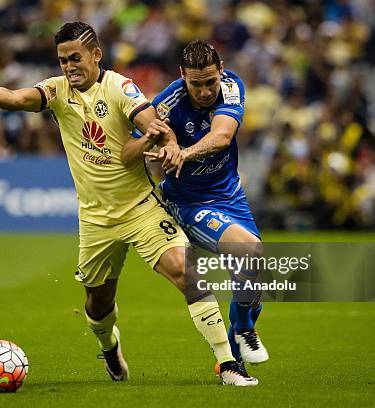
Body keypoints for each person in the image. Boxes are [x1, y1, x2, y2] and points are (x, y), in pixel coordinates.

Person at [0, 22, 257, 386]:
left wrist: (168, 141)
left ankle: (228, 364)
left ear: (96, 55)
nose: (68, 66)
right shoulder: (56, 90)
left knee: (187, 272)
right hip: (95, 220)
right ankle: (110, 348)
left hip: (141, 208)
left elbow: (152, 121)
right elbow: (16, 99)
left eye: (75, 57)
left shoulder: (120, 87)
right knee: (97, 304)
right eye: (63, 59)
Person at [122, 39, 269, 367]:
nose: (205, 91)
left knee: (253, 272)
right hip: (188, 203)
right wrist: (156, 144)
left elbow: (222, 137)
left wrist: (182, 153)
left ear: (220, 71)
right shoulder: (166, 103)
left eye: (210, 82)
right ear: (182, 76)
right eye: (196, 84)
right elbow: (129, 152)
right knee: (249, 251)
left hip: (230, 195)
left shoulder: (232, 86)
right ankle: (243, 331)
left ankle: (231, 356)